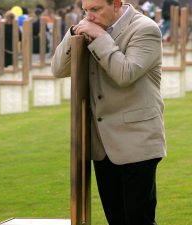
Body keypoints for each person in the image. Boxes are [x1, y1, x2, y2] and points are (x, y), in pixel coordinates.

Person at [51, 0, 166, 224]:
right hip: (102, 144)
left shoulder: (145, 29)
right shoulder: (90, 28)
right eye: (85, 10)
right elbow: (58, 69)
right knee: (116, 220)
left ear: (116, 4)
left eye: (95, 9)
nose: (89, 16)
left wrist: (100, 38)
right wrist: (74, 33)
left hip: (138, 140)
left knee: (138, 220)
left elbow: (126, 73)